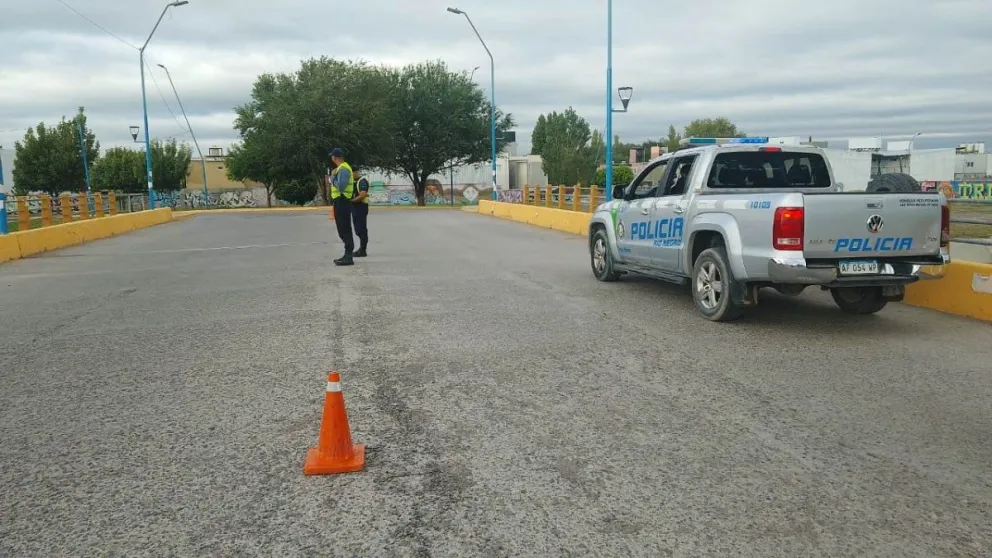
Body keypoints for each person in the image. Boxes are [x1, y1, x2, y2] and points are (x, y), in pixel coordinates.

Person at [328, 148, 355, 266]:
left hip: (343, 200)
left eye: (332, 156)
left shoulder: (343, 169)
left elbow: (341, 187)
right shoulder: (340, 169)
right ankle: (347, 253)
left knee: (345, 228)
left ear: (334, 157)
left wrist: (332, 179)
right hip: (339, 201)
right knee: (341, 228)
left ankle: (348, 255)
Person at [351, 169, 371, 257]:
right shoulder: (354, 182)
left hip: (361, 207)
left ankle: (363, 250)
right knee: (358, 229)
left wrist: (351, 201)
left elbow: (362, 195)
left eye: (351, 173)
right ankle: (362, 249)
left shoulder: (362, 181)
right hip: (355, 207)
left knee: (361, 229)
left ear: (356, 172)